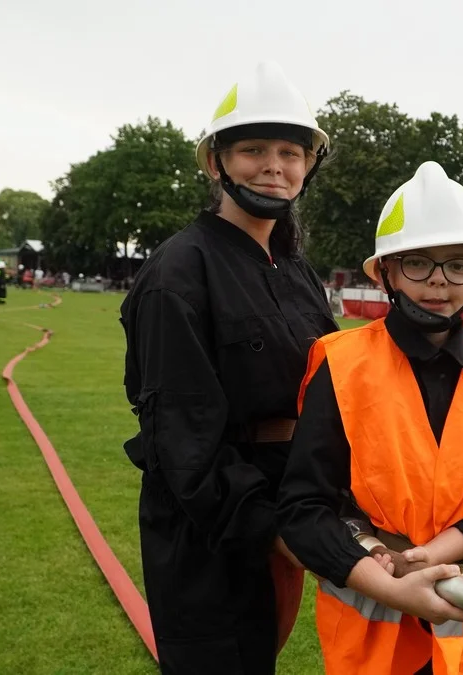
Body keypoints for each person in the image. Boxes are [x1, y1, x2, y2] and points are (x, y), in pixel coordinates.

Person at [119, 61, 338, 674]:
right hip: (212, 525)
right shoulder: (177, 273)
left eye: (291, 152)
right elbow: (184, 442)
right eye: (253, 149)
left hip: (287, 498)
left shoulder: (295, 268)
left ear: (308, 164)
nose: (275, 166)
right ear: (215, 162)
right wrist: (276, 532)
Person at [277, 161, 463, 675]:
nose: (439, 283)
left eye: (459, 265)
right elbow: (304, 509)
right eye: (419, 263)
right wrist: (395, 582)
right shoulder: (341, 365)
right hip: (373, 647)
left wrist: (438, 551)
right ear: (388, 271)